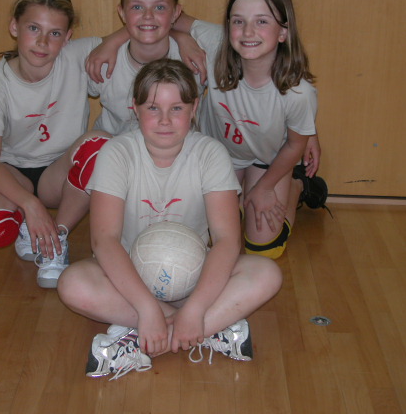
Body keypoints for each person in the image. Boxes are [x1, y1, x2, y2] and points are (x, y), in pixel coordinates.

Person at [57, 59, 283, 380]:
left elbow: (227, 240)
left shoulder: (210, 154)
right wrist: (147, 308)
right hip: (127, 281)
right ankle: (209, 329)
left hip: (194, 280)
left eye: (176, 108)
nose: (164, 120)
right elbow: (104, 241)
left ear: (194, 108)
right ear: (134, 108)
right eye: (153, 108)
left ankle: (138, 341)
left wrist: (195, 307)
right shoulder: (117, 153)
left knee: (266, 273)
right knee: (73, 284)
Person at [170, 0, 328, 259]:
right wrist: (181, 37)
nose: (248, 31)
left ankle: (296, 186)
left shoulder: (298, 92)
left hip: (267, 160)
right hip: (219, 158)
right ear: (228, 26)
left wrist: (265, 188)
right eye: (238, 21)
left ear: (283, 32)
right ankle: (240, 197)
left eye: (262, 21)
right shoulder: (216, 44)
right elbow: (166, 17)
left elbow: (295, 145)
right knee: (204, 237)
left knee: (265, 250)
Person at [0, 0, 110, 288]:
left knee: (101, 145)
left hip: (59, 174)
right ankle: (26, 219)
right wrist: (30, 205)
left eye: (55, 33)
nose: (43, 42)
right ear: (14, 27)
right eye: (34, 28)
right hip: (14, 173)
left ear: (67, 37)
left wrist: (182, 37)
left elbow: (135, 33)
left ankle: (55, 239)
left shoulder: (75, 56)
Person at [86, 0, 207, 136]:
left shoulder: (196, 59)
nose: (148, 15)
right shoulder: (102, 61)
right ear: (122, 13)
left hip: (178, 149)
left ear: (176, 13)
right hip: (113, 147)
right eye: (137, 7)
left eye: (159, 7)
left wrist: (181, 36)